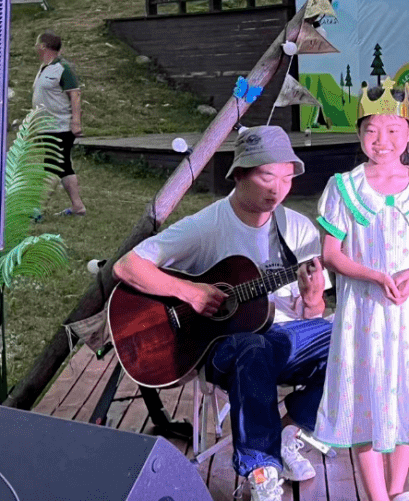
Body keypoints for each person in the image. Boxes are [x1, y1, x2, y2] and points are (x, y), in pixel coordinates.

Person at [113, 126, 331, 501]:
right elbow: (127, 266)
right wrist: (190, 292)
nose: (277, 189)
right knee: (252, 346)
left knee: (352, 337)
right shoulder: (207, 225)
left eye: (286, 178)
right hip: (222, 348)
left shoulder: (297, 229)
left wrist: (312, 300)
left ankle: (286, 432)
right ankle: (261, 471)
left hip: (285, 341)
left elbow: (310, 316)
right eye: (267, 176)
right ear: (239, 173)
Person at [313, 81, 409, 501]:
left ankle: (397, 490)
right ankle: (377, 496)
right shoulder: (344, 187)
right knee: (367, 395)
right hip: (364, 312)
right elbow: (331, 254)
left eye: (393, 130)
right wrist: (374, 276)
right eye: (372, 131)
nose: (382, 141)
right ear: (359, 133)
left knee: (407, 391)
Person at [32, 31, 86, 216]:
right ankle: (78, 206)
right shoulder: (44, 68)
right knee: (64, 167)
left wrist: (76, 123)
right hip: (46, 126)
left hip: (60, 126)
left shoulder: (63, 68)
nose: (35, 48)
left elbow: (75, 95)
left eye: (37, 44)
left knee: (52, 165)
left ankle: (37, 209)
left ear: (43, 46)